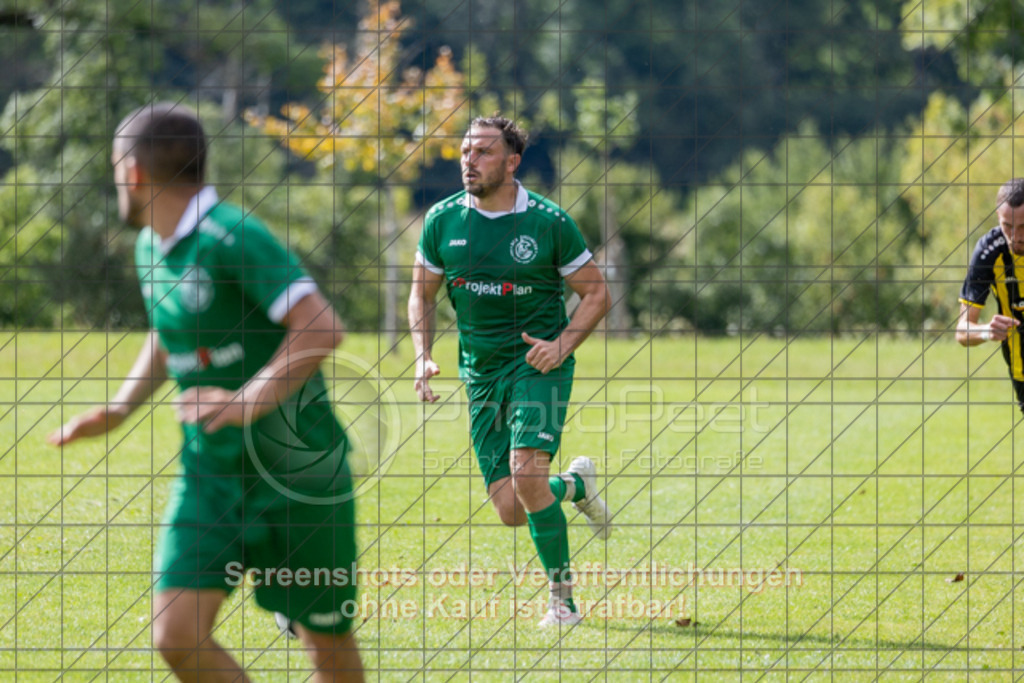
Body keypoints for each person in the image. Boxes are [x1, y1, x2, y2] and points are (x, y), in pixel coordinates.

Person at [47, 102, 364, 681]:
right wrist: (121, 407)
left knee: (329, 650)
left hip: (298, 476)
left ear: (134, 172)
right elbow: (171, 335)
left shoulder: (233, 235)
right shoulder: (151, 247)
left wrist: (247, 400)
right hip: (211, 475)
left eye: (115, 165)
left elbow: (322, 326)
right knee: (176, 635)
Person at [408, 115, 613, 628]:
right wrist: (423, 353)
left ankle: (562, 603)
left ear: (512, 161)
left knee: (526, 473)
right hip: (479, 371)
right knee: (512, 507)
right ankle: (576, 488)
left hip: (536, 362)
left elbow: (597, 293)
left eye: (482, 153)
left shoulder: (547, 222)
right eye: (464, 152)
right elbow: (422, 293)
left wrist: (562, 344)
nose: (468, 162)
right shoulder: (442, 221)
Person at [957, 178, 1024, 409]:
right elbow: (962, 331)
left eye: (1023, 227)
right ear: (998, 217)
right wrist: (987, 330)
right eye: (1008, 226)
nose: (1015, 236)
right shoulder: (989, 252)